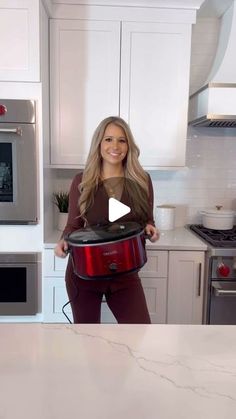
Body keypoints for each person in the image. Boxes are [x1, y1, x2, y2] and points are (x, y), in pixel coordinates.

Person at [54, 116, 159, 324]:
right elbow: (74, 226)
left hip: (125, 274)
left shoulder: (142, 180)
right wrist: (64, 241)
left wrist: (151, 229)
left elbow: (147, 220)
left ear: (128, 145)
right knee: (88, 339)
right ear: (99, 144)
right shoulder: (81, 181)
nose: (115, 146)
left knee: (140, 333)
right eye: (108, 139)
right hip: (85, 272)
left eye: (122, 140)